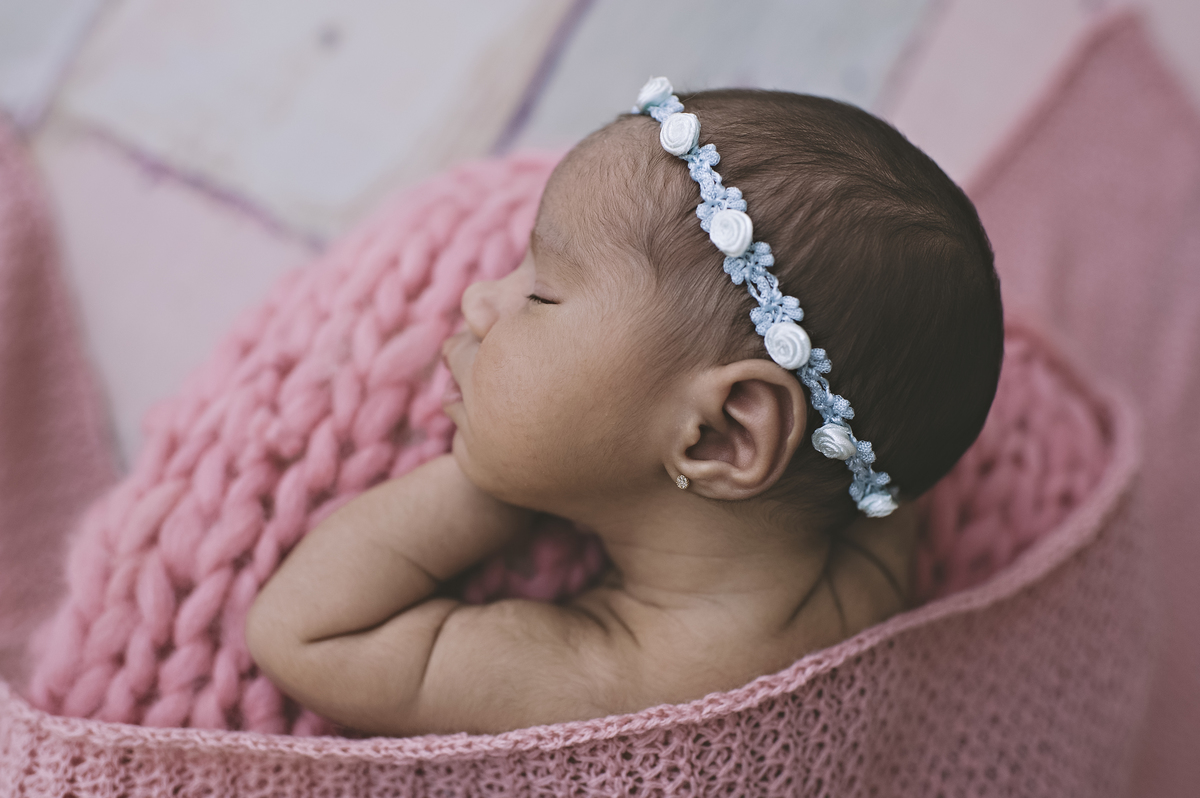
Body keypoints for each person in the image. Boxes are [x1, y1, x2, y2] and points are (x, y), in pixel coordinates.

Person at [245, 79, 1003, 737]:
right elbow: (880, 441)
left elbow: (303, 636)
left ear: (721, 434)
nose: (480, 300)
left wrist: (492, 481)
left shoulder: (616, 685)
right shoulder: (875, 566)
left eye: (540, 295)